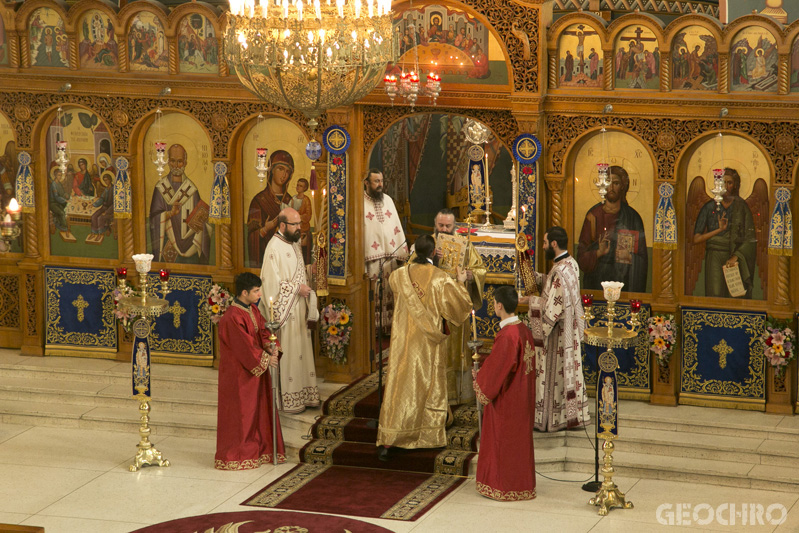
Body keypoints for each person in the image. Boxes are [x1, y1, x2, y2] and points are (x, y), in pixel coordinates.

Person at [376, 235, 472, 459]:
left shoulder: (398, 276)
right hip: (427, 345)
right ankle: (427, 434)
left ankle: (391, 437)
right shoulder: (440, 278)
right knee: (426, 386)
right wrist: (460, 282)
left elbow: (391, 286)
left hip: (402, 344)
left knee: (400, 388)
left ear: (413, 252)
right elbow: (460, 306)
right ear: (432, 254)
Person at [474, 286, 539, 501]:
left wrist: (479, 379)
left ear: (499, 305)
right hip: (523, 397)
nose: (493, 306)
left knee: (504, 443)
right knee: (518, 444)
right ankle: (522, 486)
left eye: (494, 303)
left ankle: (502, 486)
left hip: (507, 401)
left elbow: (497, 371)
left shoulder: (508, 336)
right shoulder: (524, 330)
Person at [215, 272, 285, 470]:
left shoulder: (252, 310)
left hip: (255, 371)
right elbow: (243, 347)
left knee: (258, 411)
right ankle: (238, 455)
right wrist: (265, 358)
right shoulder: (232, 317)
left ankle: (261, 451)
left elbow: (263, 331)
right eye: (256, 291)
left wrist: (271, 346)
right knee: (242, 414)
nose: (259, 294)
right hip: (239, 374)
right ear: (244, 292)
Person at [527, 227, 590, 432]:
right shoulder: (571, 264)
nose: (543, 246)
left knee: (555, 378)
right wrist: (537, 278)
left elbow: (552, 310)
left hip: (559, 336)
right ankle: (570, 415)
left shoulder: (560, 271)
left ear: (554, 244)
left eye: (545, 242)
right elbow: (556, 288)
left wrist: (532, 302)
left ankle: (553, 419)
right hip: (570, 330)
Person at [259, 207, 320, 414]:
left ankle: (304, 395)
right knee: (291, 354)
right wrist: (296, 289)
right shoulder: (273, 247)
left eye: (300, 224)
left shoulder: (293, 244)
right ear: (283, 225)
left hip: (298, 310)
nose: (299, 229)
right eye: (295, 225)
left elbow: (296, 273)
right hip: (286, 314)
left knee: (301, 352)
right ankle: (290, 400)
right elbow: (270, 284)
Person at [430, 208, 486, 404]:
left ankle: (459, 396)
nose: (444, 229)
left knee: (456, 348)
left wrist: (472, 275)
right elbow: (413, 269)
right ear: (435, 225)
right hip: (433, 307)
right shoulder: (426, 244)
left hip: (456, 305)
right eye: (441, 225)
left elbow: (480, 269)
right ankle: (434, 394)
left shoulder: (465, 246)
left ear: (455, 226)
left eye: (448, 226)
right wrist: (431, 258)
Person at [576, 165, 648, 293]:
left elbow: (642, 259)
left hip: (624, 285)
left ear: (623, 187)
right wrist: (598, 252)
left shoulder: (633, 218)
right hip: (597, 286)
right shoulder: (593, 216)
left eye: (616, 183)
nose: (612, 188)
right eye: (608, 183)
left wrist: (629, 257)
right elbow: (581, 258)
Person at [692, 167, 757, 298]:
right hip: (714, 255)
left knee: (736, 296)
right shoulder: (709, 206)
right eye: (723, 183)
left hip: (735, 255)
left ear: (735, 185)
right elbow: (696, 239)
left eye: (729, 183)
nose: (726, 186)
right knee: (715, 294)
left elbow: (750, 238)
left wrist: (736, 256)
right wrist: (719, 230)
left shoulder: (742, 206)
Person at [149, 143, 211, 264]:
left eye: (179, 161)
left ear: (185, 162)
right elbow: (153, 218)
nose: (176, 165)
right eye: (172, 161)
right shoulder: (160, 188)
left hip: (190, 247)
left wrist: (201, 222)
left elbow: (201, 218)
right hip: (168, 244)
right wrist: (170, 214)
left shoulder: (192, 189)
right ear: (167, 161)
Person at [363, 168, 408, 329]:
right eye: (376, 181)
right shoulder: (359, 202)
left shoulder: (387, 200)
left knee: (390, 290)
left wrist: (401, 251)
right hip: (372, 258)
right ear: (366, 183)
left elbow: (395, 225)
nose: (380, 184)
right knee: (374, 293)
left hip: (390, 258)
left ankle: (390, 327)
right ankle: (374, 328)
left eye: (381, 181)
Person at [247, 150, 294, 267]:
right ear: (271, 170)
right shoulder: (259, 200)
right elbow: (251, 237)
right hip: (266, 260)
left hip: (286, 260)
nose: (284, 175)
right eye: (280, 169)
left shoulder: (291, 201)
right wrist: (265, 229)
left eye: (287, 171)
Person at [289, 177, 312, 264]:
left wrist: (298, 215)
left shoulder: (306, 200)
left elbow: (308, 215)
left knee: (302, 253)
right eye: (298, 185)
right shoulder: (293, 199)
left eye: (301, 186)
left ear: (305, 188)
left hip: (303, 230)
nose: (298, 187)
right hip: (293, 230)